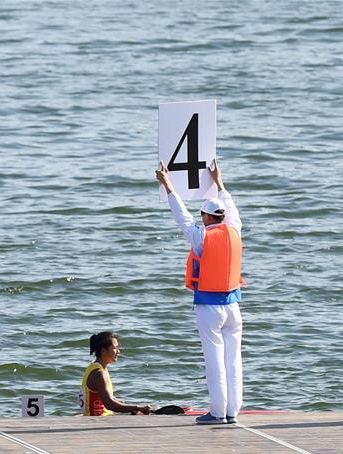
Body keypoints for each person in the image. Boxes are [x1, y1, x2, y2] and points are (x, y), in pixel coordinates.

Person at [155, 159, 244, 425]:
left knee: (215, 361)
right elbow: (230, 206)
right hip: (234, 307)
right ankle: (232, 412)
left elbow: (182, 218)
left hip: (209, 308)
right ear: (223, 217)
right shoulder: (235, 229)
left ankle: (217, 412)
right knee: (233, 362)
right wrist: (219, 182)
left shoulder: (203, 238)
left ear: (206, 217)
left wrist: (168, 185)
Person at [80, 331, 154, 415]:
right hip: (99, 420)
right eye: (115, 348)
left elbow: (102, 396)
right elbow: (109, 404)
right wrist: (137, 408)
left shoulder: (94, 366)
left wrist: (117, 401)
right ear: (103, 351)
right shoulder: (99, 373)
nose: (119, 351)